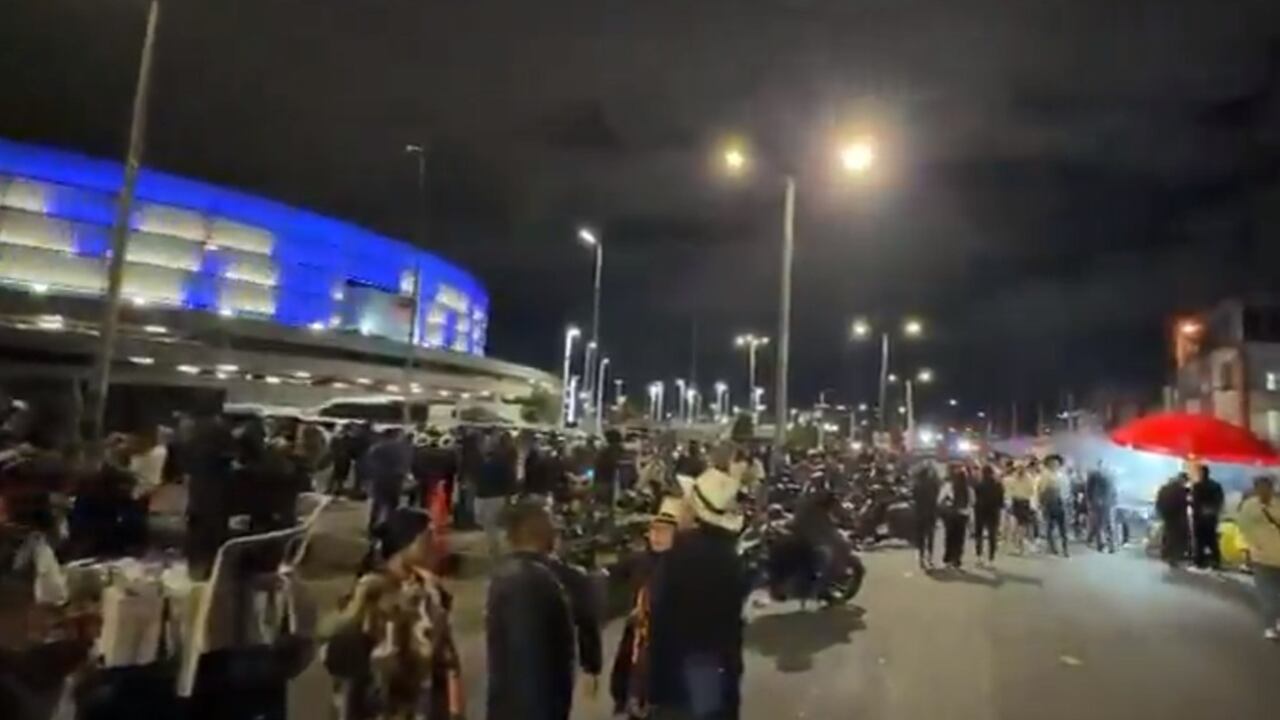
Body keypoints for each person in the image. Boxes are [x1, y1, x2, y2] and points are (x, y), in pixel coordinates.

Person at [326, 508, 464, 719]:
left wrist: (455, 710)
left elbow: (446, 660)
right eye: (426, 539)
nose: (435, 546)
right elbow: (345, 666)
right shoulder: (372, 592)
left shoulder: (431, 592)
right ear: (404, 546)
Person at [648, 466, 748, 720]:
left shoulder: (679, 552)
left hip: (682, 668)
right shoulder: (732, 557)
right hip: (720, 665)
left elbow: (658, 615)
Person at [485, 502, 577, 720]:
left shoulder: (517, 574)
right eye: (551, 522)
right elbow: (528, 663)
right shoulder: (529, 582)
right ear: (538, 529)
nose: (557, 528)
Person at [611, 497, 684, 718]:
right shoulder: (637, 561)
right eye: (655, 530)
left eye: (665, 531)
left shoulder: (681, 566)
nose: (659, 536)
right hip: (638, 636)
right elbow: (612, 582)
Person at [1236, 476, 1280, 640]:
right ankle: (1271, 624)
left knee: (1270, 593)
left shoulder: (1250, 506)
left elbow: (1243, 528)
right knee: (1268, 594)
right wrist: (1252, 547)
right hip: (1262, 557)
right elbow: (1244, 528)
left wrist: (1252, 545)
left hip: (1266, 555)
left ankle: (1272, 624)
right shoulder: (1249, 506)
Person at [476, 433, 518, 559]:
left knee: (491, 524)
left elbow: (509, 480)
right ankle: (494, 548)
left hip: (492, 496)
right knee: (487, 523)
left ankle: (494, 550)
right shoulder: (487, 461)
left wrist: (509, 496)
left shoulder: (500, 462)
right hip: (487, 495)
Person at [363, 428, 411, 532]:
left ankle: (372, 526)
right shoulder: (403, 448)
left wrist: (369, 478)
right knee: (393, 504)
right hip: (396, 479)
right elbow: (407, 464)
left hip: (380, 478)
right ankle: (390, 527)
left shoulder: (377, 447)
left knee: (378, 503)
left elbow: (369, 462)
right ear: (397, 435)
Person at [937, 465, 975, 569]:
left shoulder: (949, 486)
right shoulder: (968, 489)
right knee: (960, 538)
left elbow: (940, 499)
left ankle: (947, 559)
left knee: (949, 537)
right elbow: (972, 502)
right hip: (963, 515)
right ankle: (957, 560)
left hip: (951, 515)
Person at [1189, 464, 1225, 570]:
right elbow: (1220, 501)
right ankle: (1216, 561)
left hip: (1200, 518)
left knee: (1200, 541)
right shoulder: (1216, 485)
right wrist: (1213, 511)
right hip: (1211, 518)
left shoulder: (1197, 486)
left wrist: (1199, 511)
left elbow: (1194, 502)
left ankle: (1200, 562)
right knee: (1212, 540)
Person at [1155, 473, 1191, 568]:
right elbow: (1183, 503)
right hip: (1177, 516)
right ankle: (1174, 557)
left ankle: (1166, 554)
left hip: (1167, 515)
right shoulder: (1179, 490)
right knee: (1177, 537)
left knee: (1168, 534)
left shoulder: (1165, 488)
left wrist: (1161, 513)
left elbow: (1159, 502)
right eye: (1185, 481)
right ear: (1182, 480)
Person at [972, 464, 1004, 568]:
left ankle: (979, 557)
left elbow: (974, 499)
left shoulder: (978, 485)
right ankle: (991, 559)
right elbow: (1001, 501)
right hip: (993, 512)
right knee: (992, 536)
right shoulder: (998, 485)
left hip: (980, 511)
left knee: (979, 534)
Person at [911, 463, 941, 569]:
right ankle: (930, 557)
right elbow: (938, 494)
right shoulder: (933, 484)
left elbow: (913, 497)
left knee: (920, 537)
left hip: (919, 513)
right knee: (930, 536)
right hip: (931, 512)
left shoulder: (916, 485)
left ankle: (921, 558)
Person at [1039, 457, 1070, 558]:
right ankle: (1052, 547)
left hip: (1061, 503)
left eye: (1056, 463)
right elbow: (1041, 491)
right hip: (1050, 503)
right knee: (1050, 526)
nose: (1054, 465)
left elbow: (1067, 490)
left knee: (1063, 527)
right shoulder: (1044, 476)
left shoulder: (1063, 476)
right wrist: (1041, 503)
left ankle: (1065, 548)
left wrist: (1066, 500)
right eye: (1052, 463)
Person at [1005, 462, 1037, 555]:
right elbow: (1009, 492)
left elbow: (1032, 492)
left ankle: (1020, 545)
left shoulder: (1029, 479)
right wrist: (1009, 503)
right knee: (1015, 526)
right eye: (1018, 468)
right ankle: (1017, 545)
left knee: (1021, 526)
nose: (1020, 470)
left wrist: (1033, 505)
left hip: (1024, 503)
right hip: (1016, 502)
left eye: (1021, 468)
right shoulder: (1012, 479)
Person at [1085, 461, 1117, 553]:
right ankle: (1103, 544)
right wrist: (1090, 501)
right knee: (1101, 524)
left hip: (1107, 502)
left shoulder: (1111, 475)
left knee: (1107, 524)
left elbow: (1114, 490)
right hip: (1099, 502)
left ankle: (1110, 545)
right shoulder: (1095, 475)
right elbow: (1088, 489)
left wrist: (1114, 500)